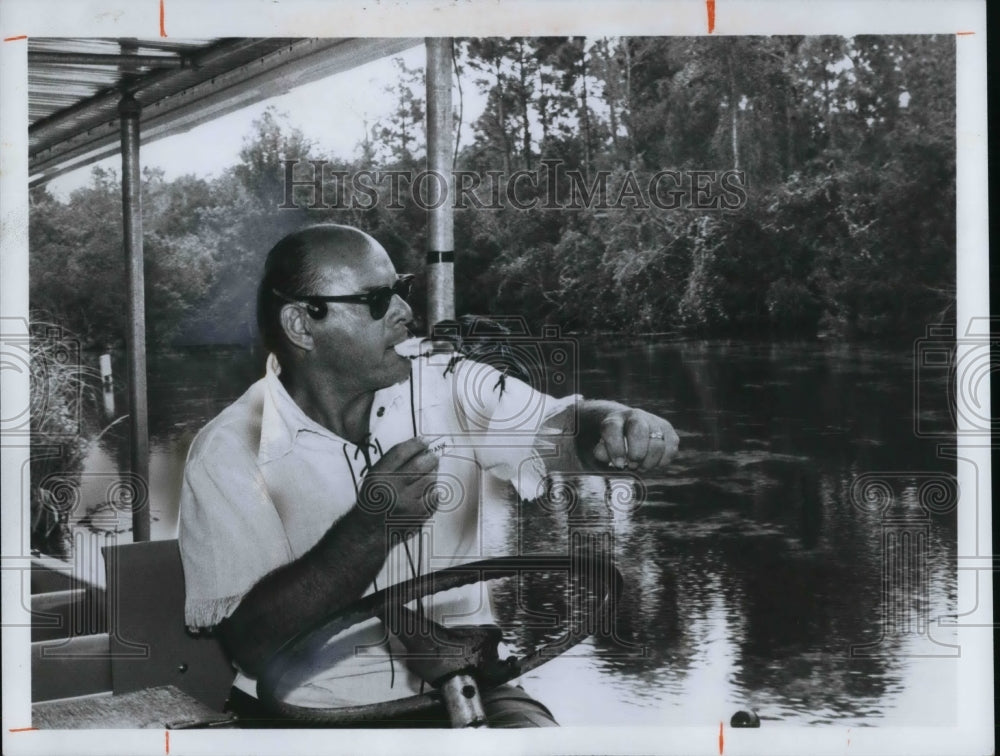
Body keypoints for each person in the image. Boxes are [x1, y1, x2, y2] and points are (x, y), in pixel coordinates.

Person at [177, 223, 679, 727]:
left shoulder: (451, 382)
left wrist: (613, 424)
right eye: (377, 300)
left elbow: (562, 429)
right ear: (302, 325)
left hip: (474, 688)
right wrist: (371, 527)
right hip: (311, 715)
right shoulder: (228, 453)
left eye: (402, 289)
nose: (405, 312)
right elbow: (255, 644)